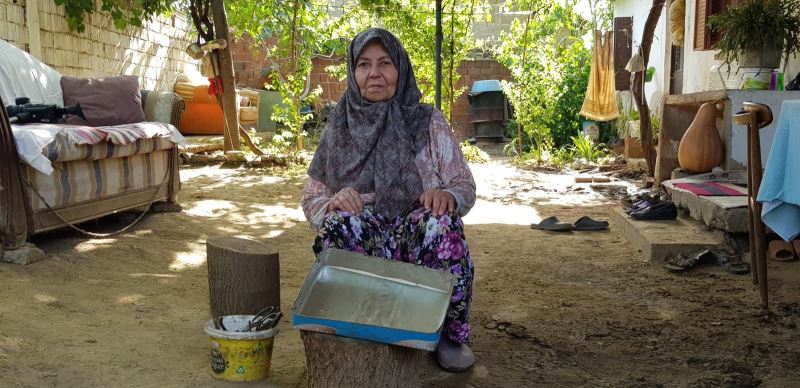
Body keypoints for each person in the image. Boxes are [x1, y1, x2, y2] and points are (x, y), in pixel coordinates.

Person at [300, 28, 477, 372]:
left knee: (442, 226)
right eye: (364, 64)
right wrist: (336, 200)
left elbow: (463, 185)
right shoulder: (339, 124)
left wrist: (446, 196)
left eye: (385, 63)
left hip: (416, 229)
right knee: (339, 226)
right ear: (353, 73)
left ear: (401, 69)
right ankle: (352, 323)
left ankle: (448, 334)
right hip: (367, 231)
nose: (374, 73)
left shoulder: (428, 120)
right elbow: (312, 200)